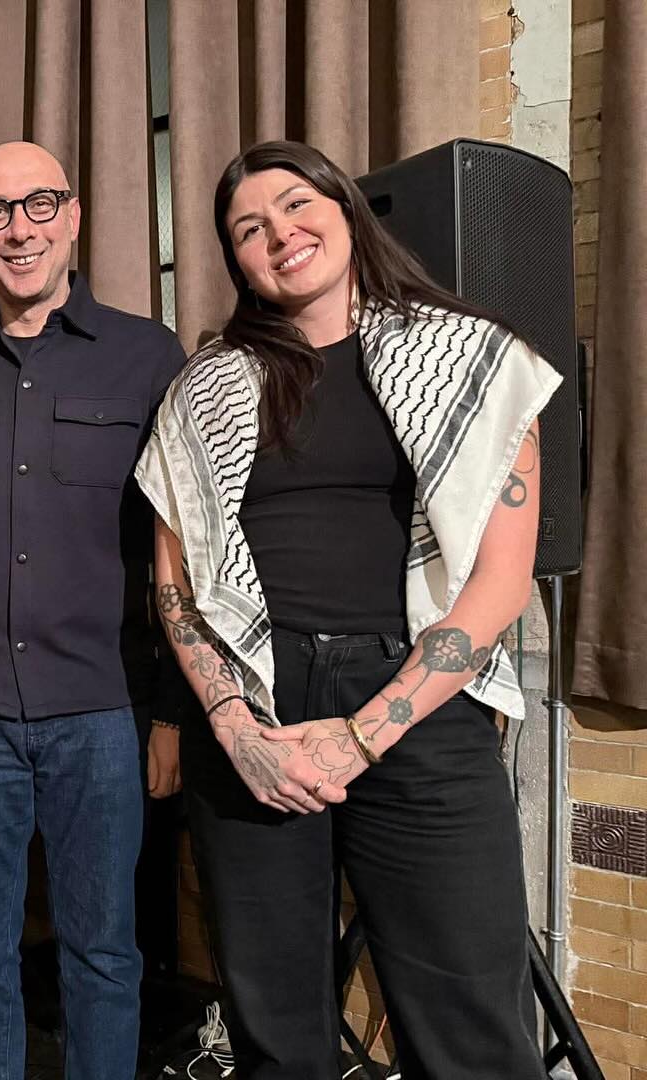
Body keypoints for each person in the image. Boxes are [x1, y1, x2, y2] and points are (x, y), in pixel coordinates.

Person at [135, 140, 556, 1079]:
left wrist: (365, 733)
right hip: (252, 705)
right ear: (234, 259)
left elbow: (499, 579)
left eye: (295, 204)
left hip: (418, 703)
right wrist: (235, 727)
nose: (279, 233)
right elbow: (174, 582)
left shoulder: (470, 357)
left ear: (344, 207)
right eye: (249, 228)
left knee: (471, 1026)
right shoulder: (202, 388)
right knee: (275, 1026)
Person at [0, 140, 191, 1080]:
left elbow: (184, 549)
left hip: (105, 706)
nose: (17, 228)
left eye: (38, 205)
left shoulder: (151, 356)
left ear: (71, 217)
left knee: (104, 950)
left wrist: (172, 713)